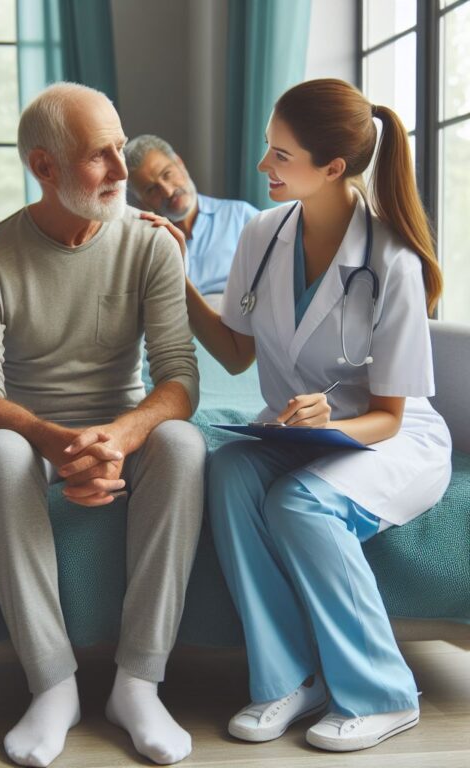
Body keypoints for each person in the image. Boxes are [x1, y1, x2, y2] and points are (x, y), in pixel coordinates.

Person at [146, 78, 450, 752]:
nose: (263, 168)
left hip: (387, 442)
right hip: (299, 432)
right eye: (268, 150)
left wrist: (329, 425)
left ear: (332, 168)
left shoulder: (390, 261)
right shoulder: (261, 233)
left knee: (299, 505)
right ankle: (289, 679)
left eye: (280, 156)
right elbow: (233, 354)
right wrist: (179, 275)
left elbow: (389, 417)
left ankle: (383, 693)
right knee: (226, 473)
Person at [0, 82, 205, 767]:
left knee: (182, 444)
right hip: (29, 432)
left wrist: (119, 438)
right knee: (0, 453)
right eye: (101, 156)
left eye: (121, 148)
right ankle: (52, 683)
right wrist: (56, 443)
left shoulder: (152, 246)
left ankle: (139, 682)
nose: (124, 172)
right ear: (44, 167)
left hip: (117, 423)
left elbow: (181, 377)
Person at [125, 134, 257, 294]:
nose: (168, 191)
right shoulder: (144, 246)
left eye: (167, 174)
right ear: (142, 202)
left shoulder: (240, 216)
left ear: (179, 163)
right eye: (151, 189)